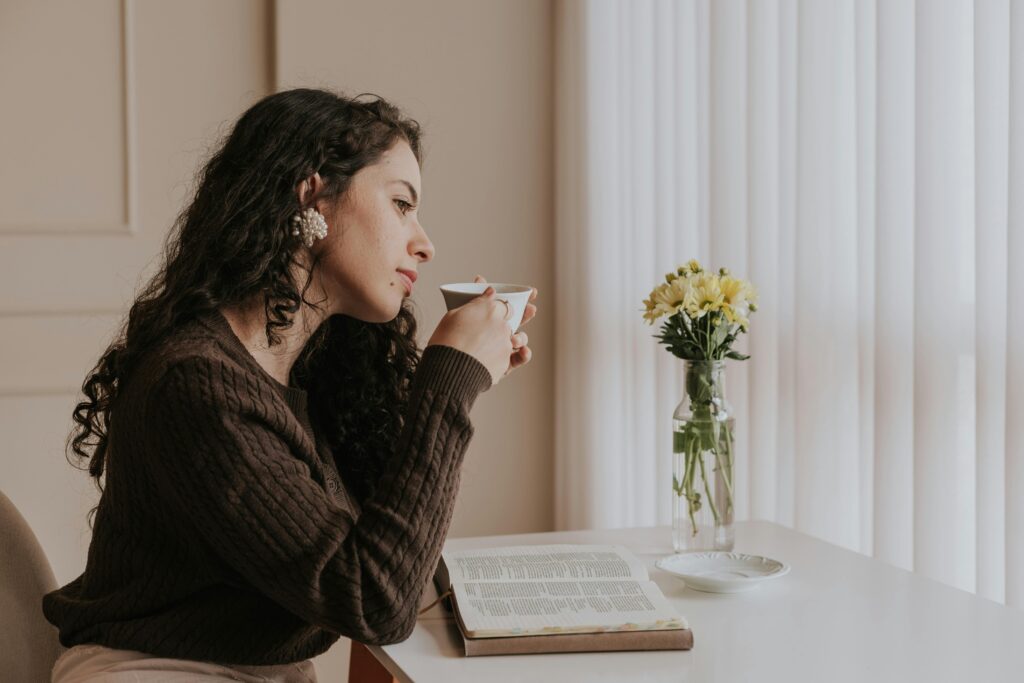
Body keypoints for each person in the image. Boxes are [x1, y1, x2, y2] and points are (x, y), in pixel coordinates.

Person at [41, 87, 537, 682]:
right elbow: (374, 601)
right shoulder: (198, 384)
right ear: (314, 196)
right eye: (402, 204)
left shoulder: (302, 375)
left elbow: (398, 566)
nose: (424, 243)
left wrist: (465, 376)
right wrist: (449, 383)